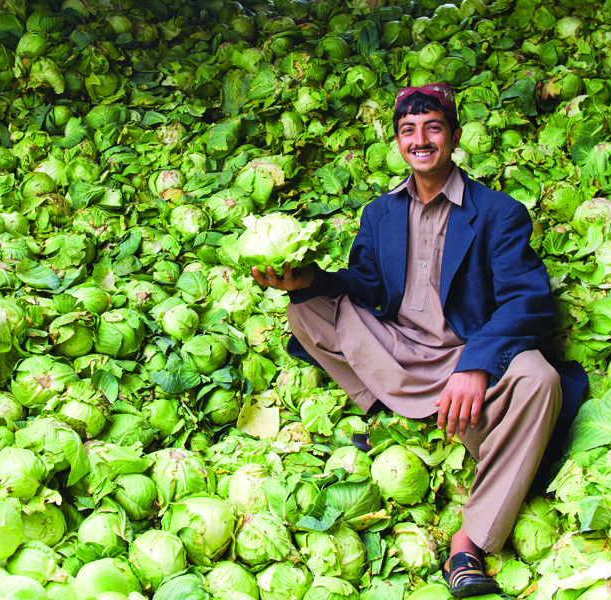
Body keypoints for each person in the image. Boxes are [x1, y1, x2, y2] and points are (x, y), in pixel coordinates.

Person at [251, 84, 587, 598]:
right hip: (400, 347)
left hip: (464, 355)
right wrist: (307, 282)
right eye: (409, 130)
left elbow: (529, 301)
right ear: (398, 141)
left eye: (433, 127)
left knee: (540, 379)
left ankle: (468, 541)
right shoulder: (380, 214)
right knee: (307, 311)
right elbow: (362, 288)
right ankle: (391, 412)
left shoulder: (498, 213)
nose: (421, 139)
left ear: (453, 137)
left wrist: (475, 365)